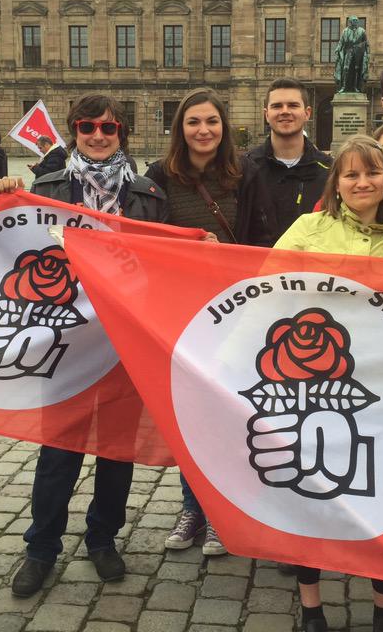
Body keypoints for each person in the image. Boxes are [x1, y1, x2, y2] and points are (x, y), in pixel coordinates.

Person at [0, 94, 168, 596]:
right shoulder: (48, 186)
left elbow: (165, 260)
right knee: (58, 453)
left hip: (122, 343)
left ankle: (102, 538)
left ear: (121, 133)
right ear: (74, 130)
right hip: (64, 340)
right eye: (88, 126)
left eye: (108, 128)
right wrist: (6, 190)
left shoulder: (147, 194)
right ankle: (41, 547)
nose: (97, 134)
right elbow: (12, 242)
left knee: (116, 453)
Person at [274, 135, 383, 632]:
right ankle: (311, 605)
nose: (363, 182)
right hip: (311, 388)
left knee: (378, 492)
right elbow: (261, 289)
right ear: (336, 184)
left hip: (379, 391)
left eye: (373, 173)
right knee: (311, 493)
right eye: (351, 174)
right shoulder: (306, 228)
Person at [147, 87, 272, 558]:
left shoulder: (246, 173)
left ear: (224, 128)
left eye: (212, 122)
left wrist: (232, 263)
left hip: (238, 312)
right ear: (181, 129)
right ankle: (193, 508)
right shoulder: (159, 175)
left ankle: (224, 512)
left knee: (232, 413)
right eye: (194, 122)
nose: (204, 130)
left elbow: (263, 239)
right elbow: (149, 242)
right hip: (184, 315)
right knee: (195, 416)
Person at [246, 77, 331, 241]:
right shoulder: (246, 168)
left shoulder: (330, 171)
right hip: (259, 264)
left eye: (293, 105)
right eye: (277, 106)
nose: (285, 111)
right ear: (266, 114)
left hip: (310, 265)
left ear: (307, 113)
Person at [333, 15, 369, 93]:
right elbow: (341, 42)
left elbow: (366, 43)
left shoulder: (362, 31)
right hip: (348, 52)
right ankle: (344, 87)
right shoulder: (345, 31)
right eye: (354, 20)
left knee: (356, 69)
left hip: (358, 52)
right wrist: (338, 49)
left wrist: (367, 54)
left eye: (356, 20)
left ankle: (356, 87)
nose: (356, 22)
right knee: (345, 69)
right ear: (350, 22)